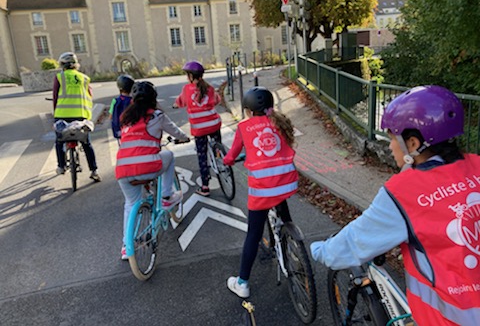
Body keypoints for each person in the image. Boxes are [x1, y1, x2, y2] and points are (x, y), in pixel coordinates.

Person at [310, 85, 480, 325]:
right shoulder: (477, 165)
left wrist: (320, 251)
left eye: (392, 138)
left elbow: (354, 242)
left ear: (413, 144)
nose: (390, 146)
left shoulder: (404, 191)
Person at [223, 86, 298, 298]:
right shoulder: (281, 123)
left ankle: (242, 283)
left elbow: (232, 155)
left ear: (248, 110)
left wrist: (227, 161)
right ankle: (293, 245)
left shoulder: (244, 127)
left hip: (262, 191)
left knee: (253, 234)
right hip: (288, 183)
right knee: (281, 205)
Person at [116, 81, 189, 260]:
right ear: (153, 99)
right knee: (169, 156)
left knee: (130, 204)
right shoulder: (157, 116)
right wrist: (185, 138)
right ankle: (166, 196)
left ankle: (126, 246)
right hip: (148, 165)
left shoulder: (126, 118)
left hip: (122, 170)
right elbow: (176, 132)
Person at [173, 61, 222, 196]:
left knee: (202, 156)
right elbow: (217, 100)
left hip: (199, 129)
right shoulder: (210, 88)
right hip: (214, 124)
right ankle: (220, 156)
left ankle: (205, 187)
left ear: (190, 76)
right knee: (217, 143)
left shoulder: (186, 89)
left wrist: (175, 105)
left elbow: (180, 102)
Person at [53, 51, 101, 182]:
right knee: (86, 143)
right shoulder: (85, 78)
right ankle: (94, 170)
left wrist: (55, 113)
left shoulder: (59, 77)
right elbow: (89, 96)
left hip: (62, 115)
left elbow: (55, 97)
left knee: (59, 141)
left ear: (62, 65)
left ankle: (61, 166)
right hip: (81, 115)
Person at [109, 74, 134, 141]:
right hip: (132, 130)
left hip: (120, 131)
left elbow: (111, 116)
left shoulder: (115, 101)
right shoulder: (133, 101)